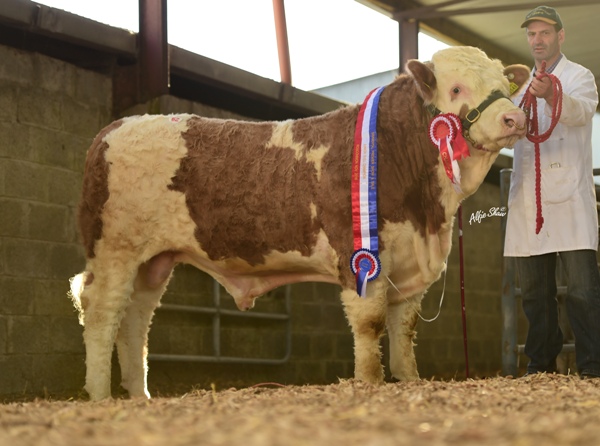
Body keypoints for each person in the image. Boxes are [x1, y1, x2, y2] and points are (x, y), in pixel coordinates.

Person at [504, 5, 600, 378]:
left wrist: (549, 96)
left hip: (570, 195)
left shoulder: (580, 76)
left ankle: (592, 368)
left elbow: (581, 112)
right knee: (534, 293)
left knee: (581, 291)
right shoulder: (519, 84)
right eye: (532, 34)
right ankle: (541, 368)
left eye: (545, 33)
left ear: (560, 36)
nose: (538, 40)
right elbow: (512, 132)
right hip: (530, 199)